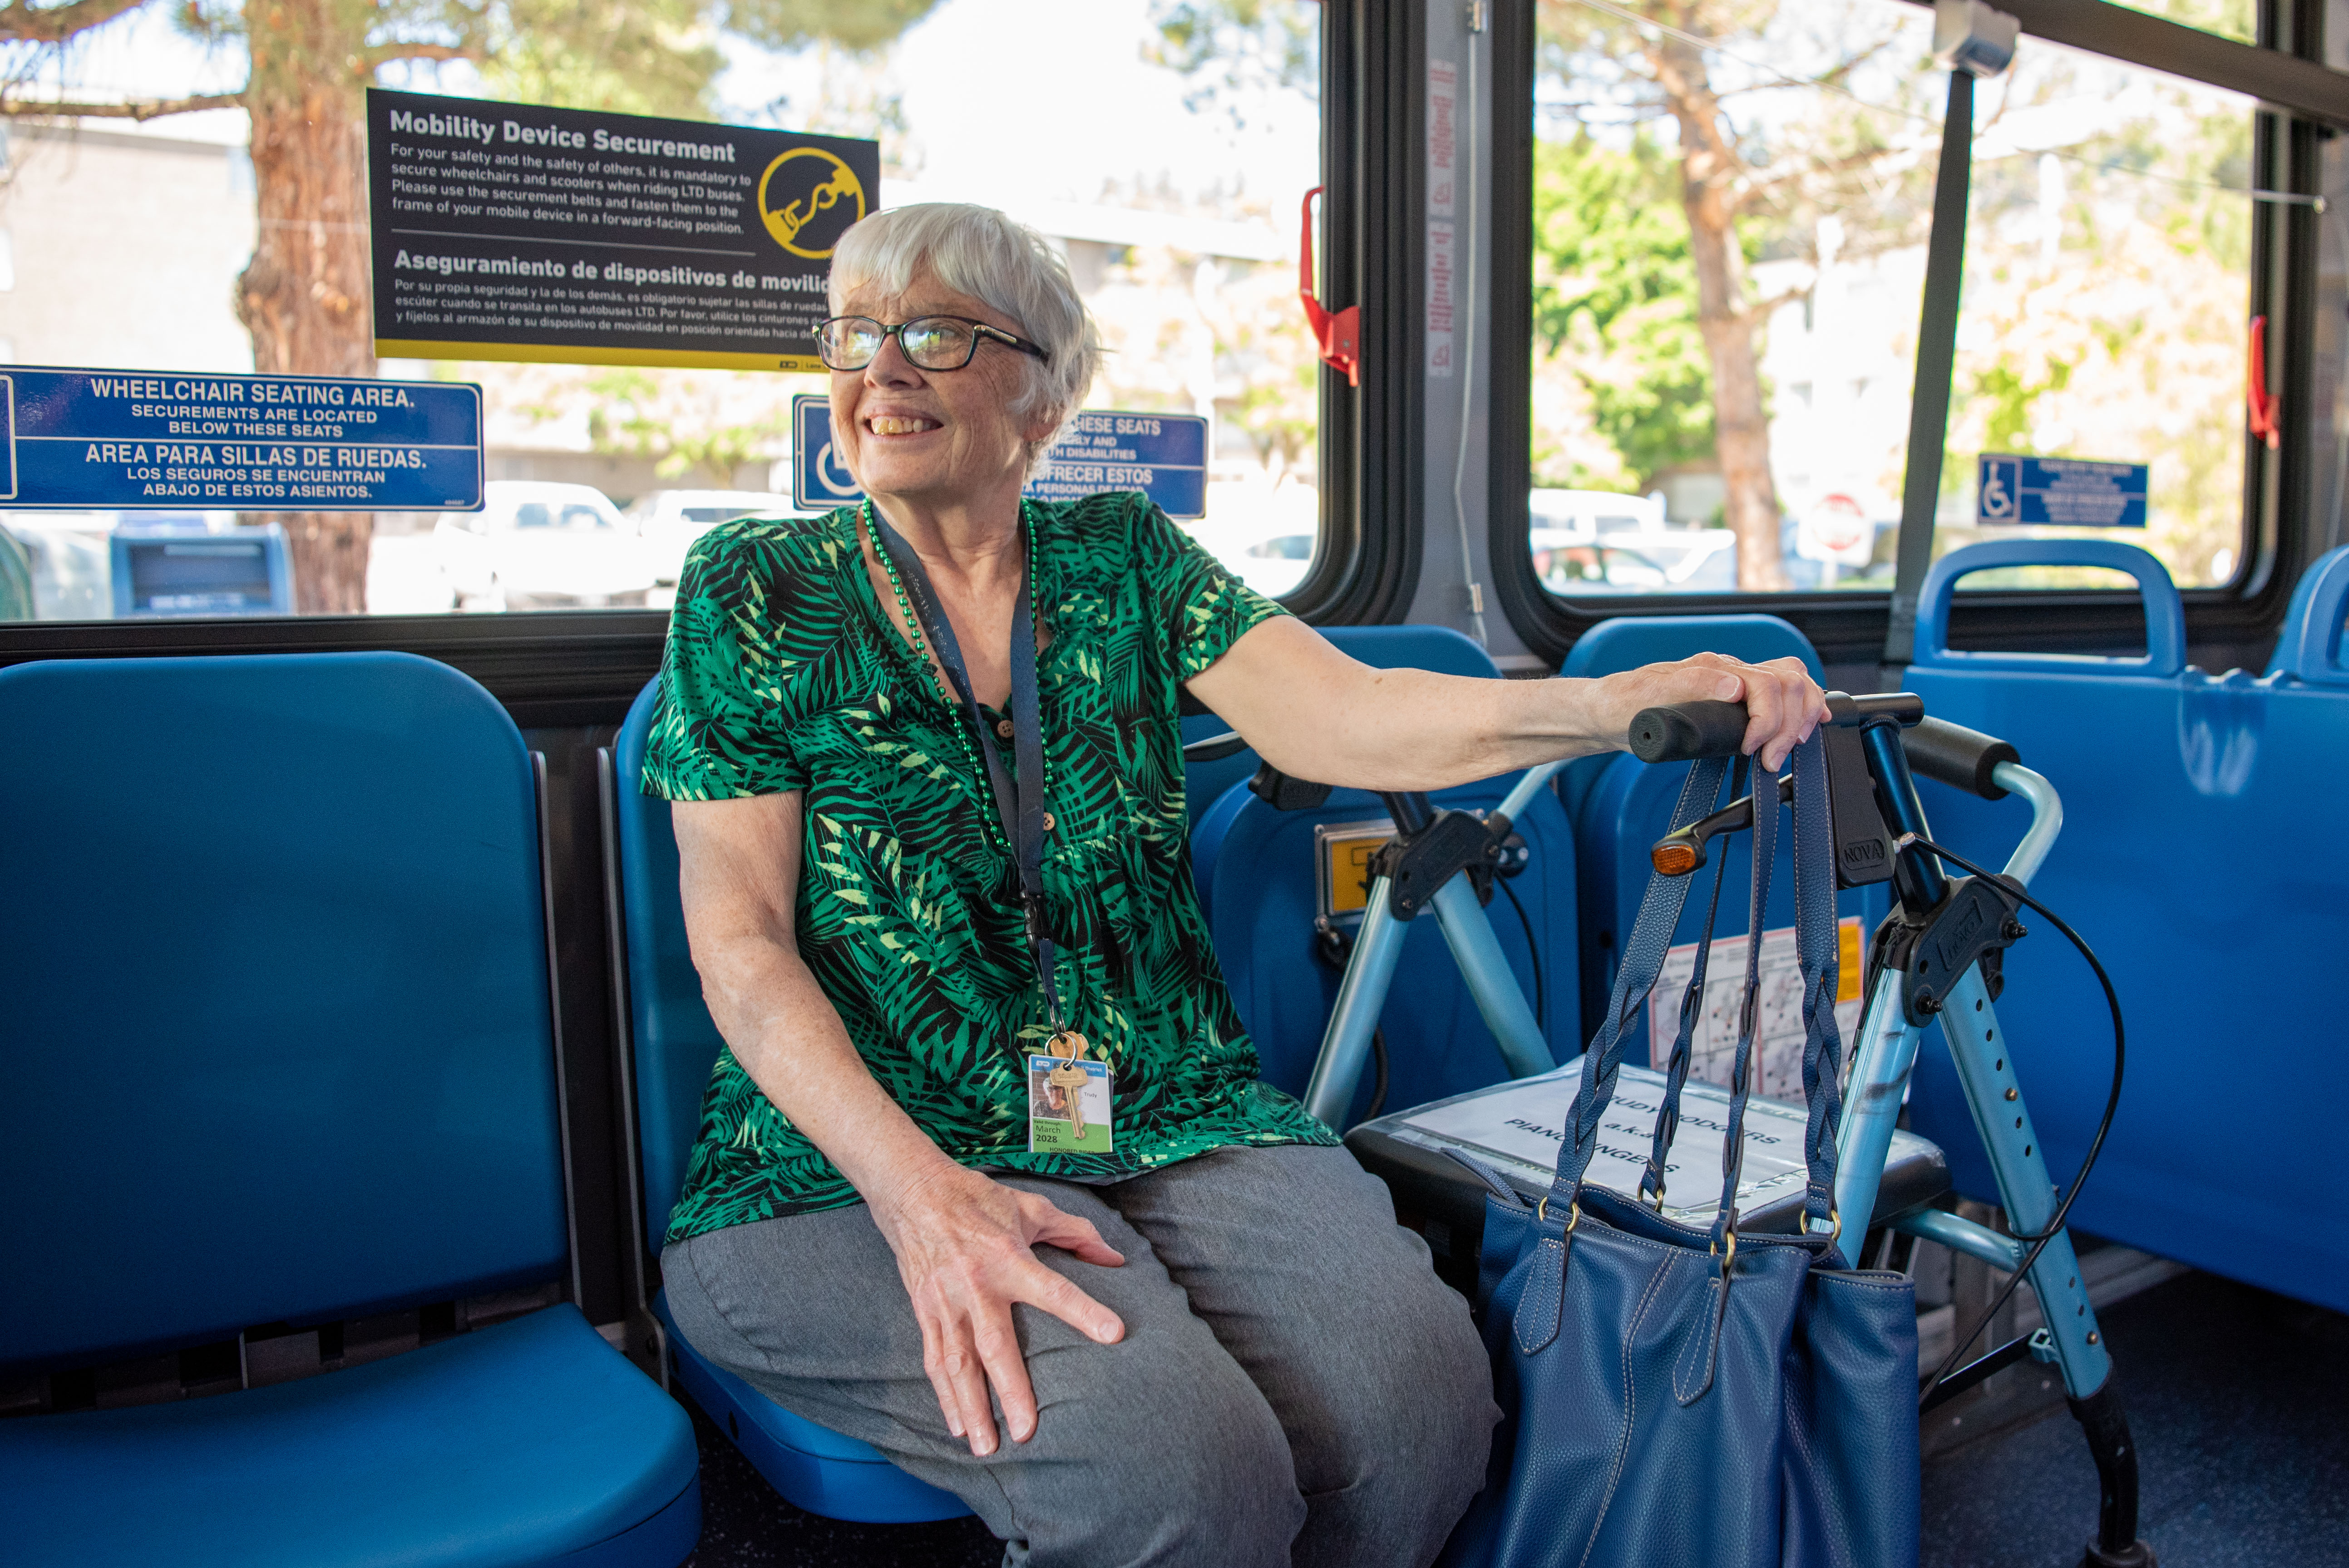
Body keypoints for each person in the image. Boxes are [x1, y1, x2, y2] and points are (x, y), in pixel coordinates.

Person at [646, 202, 1828, 1568]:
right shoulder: (755, 587)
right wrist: (925, 1200)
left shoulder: (1126, 562)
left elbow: (1357, 718)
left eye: (933, 333)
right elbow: (735, 938)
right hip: (846, 1161)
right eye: (856, 334)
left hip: (1160, 1100)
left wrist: (1618, 704)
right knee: (1177, 1473)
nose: (881, 370)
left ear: (1039, 396)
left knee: (1423, 1413)